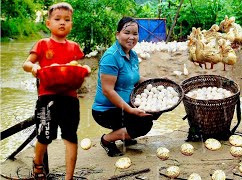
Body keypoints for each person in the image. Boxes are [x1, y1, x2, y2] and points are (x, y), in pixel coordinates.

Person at [22, 2, 84, 179]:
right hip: (46, 97)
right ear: (49, 23)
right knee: (44, 136)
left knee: (71, 137)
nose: (62, 23)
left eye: (67, 19)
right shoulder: (42, 44)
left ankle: (69, 177)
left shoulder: (74, 47)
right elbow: (26, 63)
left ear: (71, 24)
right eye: (57, 19)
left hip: (70, 98)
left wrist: (83, 71)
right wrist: (33, 68)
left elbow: (78, 68)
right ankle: (38, 164)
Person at [92, 17, 161, 157]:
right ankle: (107, 140)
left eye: (135, 34)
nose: (131, 37)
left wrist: (155, 83)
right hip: (105, 110)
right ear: (118, 34)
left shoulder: (133, 55)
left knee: (154, 110)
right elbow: (107, 90)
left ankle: (125, 135)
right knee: (144, 124)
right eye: (127, 33)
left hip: (124, 105)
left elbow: (134, 79)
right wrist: (130, 110)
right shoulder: (111, 57)